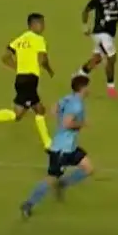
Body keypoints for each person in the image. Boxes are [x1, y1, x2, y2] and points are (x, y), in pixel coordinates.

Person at [19, 75, 97, 219]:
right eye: (88, 87)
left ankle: (63, 184)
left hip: (70, 147)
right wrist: (82, 124)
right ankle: (29, 203)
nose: (90, 90)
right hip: (62, 150)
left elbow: (54, 110)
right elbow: (67, 124)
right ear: (83, 88)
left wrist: (61, 120)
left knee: (89, 168)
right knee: (50, 179)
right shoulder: (76, 105)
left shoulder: (68, 98)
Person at [0, 12, 55, 149]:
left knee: (29, 111)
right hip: (30, 79)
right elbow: (42, 58)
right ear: (33, 24)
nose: (43, 27)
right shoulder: (38, 39)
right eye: (41, 23)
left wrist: (18, 68)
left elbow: (5, 56)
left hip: (21, 78)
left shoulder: (20, 39)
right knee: (29, 112)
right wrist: (48, 68)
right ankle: (48, 145)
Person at [78, 0, 118, 98]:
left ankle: (79, 75)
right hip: (100, 33)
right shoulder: (98, 0)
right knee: (112, 57)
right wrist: (85, 26)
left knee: (97, 59)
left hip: (110, 35)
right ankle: (111, 87)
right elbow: (86, 11)